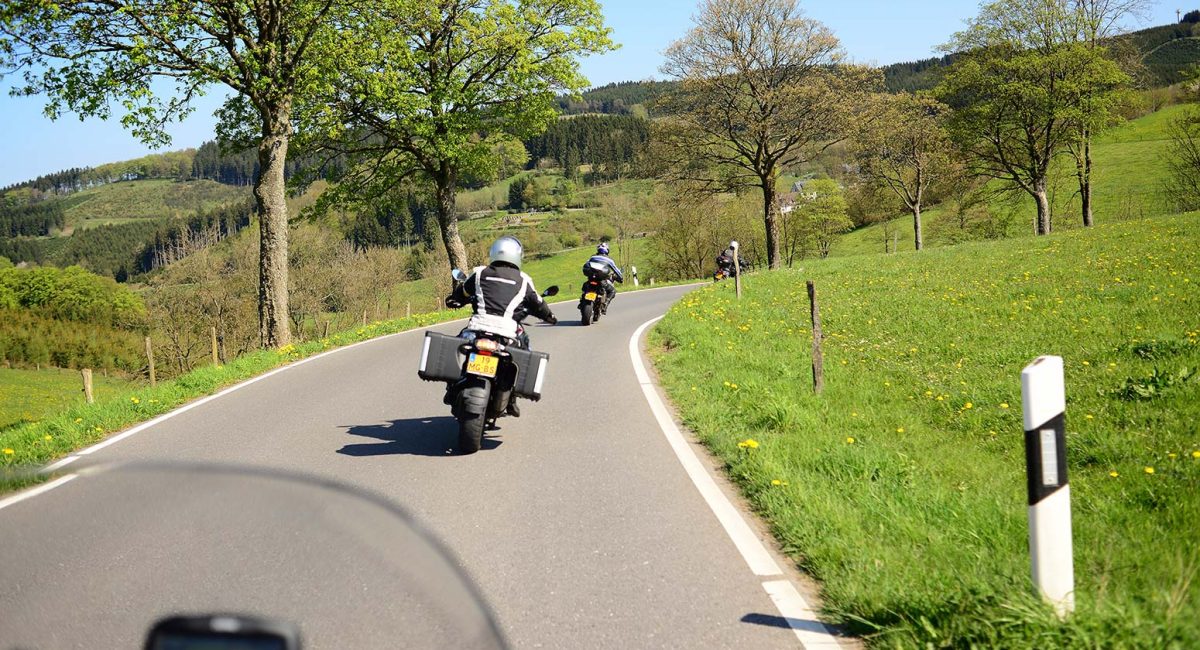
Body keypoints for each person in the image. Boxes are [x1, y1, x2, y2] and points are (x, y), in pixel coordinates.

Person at [445, 236, 556, 416]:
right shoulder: (524, 280)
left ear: (494, 252)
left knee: (458, 344)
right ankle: (512, 398)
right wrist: (549, 316)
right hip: (507, 334)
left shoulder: (480, 273)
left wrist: (453, 300)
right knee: (525, 349)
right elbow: (538, 303)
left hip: (477, 329)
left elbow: (462, 292)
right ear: (518, 256)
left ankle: (452, 387)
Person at [581, 242, 623, 312]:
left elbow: (586, 264)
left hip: (591, 279)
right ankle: (605, 305)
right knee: (612, 291)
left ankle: (582, 301)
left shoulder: (593, 257)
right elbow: (616, 270)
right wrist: (621, 278)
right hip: (601, 281)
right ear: (607, 250)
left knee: (584, 287)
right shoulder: (609, 260)